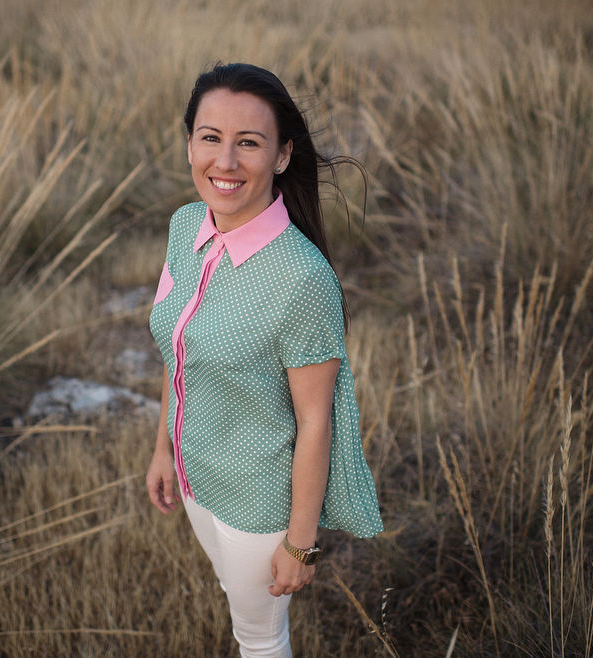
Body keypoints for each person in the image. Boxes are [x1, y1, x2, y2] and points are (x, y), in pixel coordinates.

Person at [147, 62, 383, 657]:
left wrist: (300, 543)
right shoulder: (184, 227)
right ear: (190, 143)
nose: (224, 162)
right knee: (233, 593)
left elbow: (315, 422)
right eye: (210, 138)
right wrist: (163, 449)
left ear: (281, 156)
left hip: (258, 505)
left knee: (257, 637)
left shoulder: (302, 279)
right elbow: (180, 352)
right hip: (197, 479)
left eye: (248, 143)